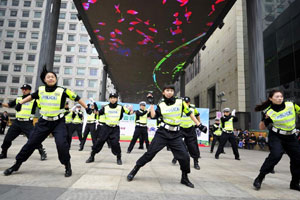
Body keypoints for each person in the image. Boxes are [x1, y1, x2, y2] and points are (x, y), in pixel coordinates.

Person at [3, 66, 92, 177]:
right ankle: (16, 165)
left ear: (56, 79)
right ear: (44, 80)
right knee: (31, 143)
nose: (50, 78)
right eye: (48, 77)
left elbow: (77, 98)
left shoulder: (63, 90)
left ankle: (67, 166)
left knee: (61, 145)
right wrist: (20, 104)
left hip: (58, 122)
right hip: (43, 123)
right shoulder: (40, 90)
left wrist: (86, 108)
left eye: (53, 77)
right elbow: (30, 97)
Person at [127, 84, 207, 188]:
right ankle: (135, 169)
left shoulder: (180, 102)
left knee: (185, 157)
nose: (169, 92)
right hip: (162, 133)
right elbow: (153, 116)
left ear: (173, 92)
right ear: (163, 92)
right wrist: (151, 104)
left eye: (171, 90)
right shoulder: (161, 105)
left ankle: (184, 178)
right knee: (150, 154)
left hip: (176, 134)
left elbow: (190, 113)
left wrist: (199, 125)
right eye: (167, 90)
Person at [253, 90, 300, 191]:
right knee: (276, 155)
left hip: (291, 136)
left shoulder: (291, 105)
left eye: (281, 96)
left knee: (297, 159)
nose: (280, 98)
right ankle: (259, 178)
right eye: (277, 96)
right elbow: (261, 127)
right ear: (271, 98)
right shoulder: (268, 111)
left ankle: (295, 183)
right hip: (276, 136)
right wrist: (266, 120)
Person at [0, 84, 47, 160]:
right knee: (7, 139)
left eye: (26, 89)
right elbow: (9, 105)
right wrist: (1, 104)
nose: (24, 90)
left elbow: (43, 106)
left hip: (27, 123)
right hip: (17, 122)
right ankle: (3, 153)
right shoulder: (18, 98)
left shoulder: (34, 99)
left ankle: (42, 152)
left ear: (29, 90)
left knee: (34, 139)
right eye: (23, 89)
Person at [86, 93, 133, 165]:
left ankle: (118, 158)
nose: (113, 99)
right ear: (109, 99)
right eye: (111, 98)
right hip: (106, 128)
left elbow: (129, 113)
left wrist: (131, 110)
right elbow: (98, 113)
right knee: (99, 142)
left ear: (117, 99)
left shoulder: (121, 107)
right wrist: (93, 109)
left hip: (115, 128)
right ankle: (92, 156)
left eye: (114, 98)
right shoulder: (106, 107)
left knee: (115, 144)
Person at [171, 96, 202, 170]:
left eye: (187, 102)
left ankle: (196, 162)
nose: (186, 104)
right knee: (178, 144)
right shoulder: (179, 108)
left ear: (189, 102)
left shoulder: (193, 108)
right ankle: (176, 157)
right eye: (185, 102)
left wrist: (198, 123)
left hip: (190, 129)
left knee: (193, 146)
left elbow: (197, 115)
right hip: (181, 128)